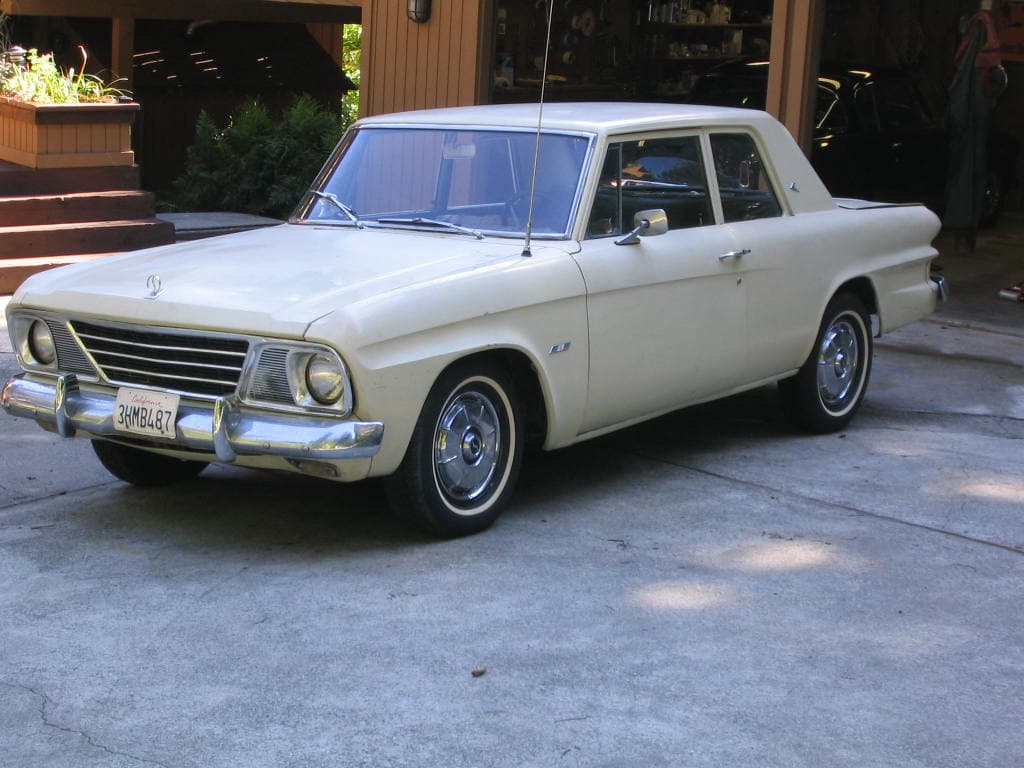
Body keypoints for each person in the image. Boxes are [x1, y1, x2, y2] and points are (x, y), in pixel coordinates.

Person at [943, 0, 1007, 254]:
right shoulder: (982, 28)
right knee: (966, 175)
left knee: (971, 174)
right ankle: (962, 235)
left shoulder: (982, 31)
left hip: (975, 121)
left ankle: (966, 235)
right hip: (970, 120)